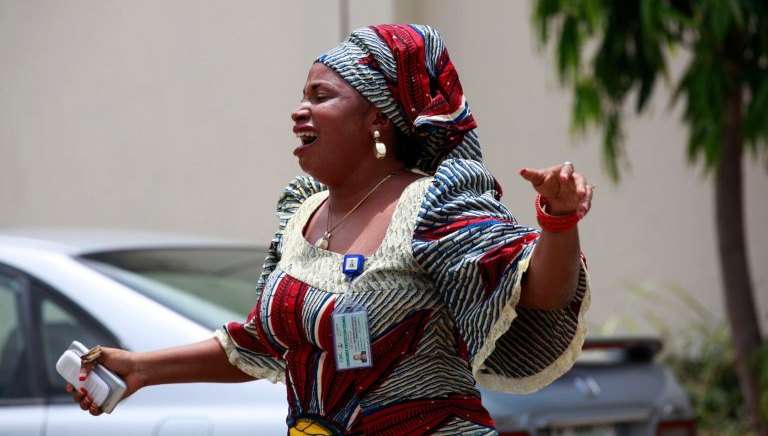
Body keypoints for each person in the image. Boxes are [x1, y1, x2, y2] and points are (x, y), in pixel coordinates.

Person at [68, 24, 593, 436]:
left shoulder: (435, 202)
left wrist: (558, 221)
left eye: (321, 96)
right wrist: (138, 368)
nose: (300, 111)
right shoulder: (302, 213)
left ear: (377, 120)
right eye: (302, 96)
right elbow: (259, 344)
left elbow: (542, 293)